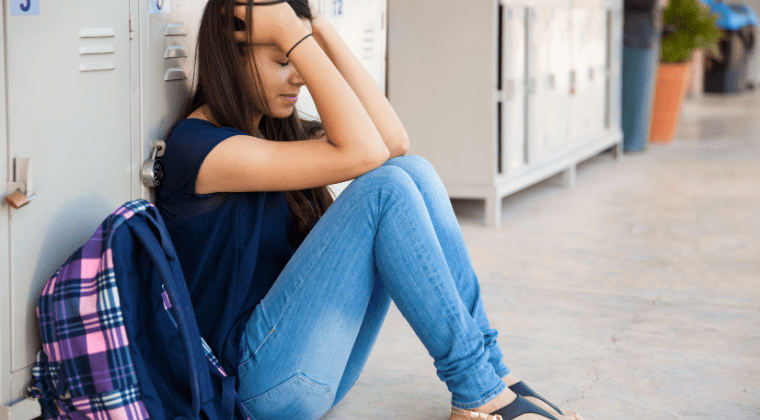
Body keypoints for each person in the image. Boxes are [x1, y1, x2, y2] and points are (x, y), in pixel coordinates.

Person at [157, 1, 583, 419]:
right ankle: (477, 391)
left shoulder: (273, 134)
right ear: (233, 57)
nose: (300, 76)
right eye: (283, 59)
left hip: (313, 370)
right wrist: (293, 32)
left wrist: (316, 26)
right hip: (254, 389)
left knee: (409, 170)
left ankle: (492, 372)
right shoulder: (200, 149)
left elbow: (392, 142)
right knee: (386, 190)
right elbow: (365, 155)